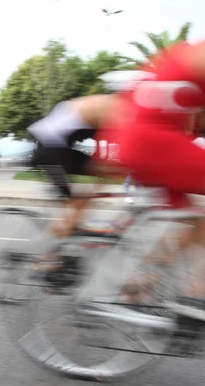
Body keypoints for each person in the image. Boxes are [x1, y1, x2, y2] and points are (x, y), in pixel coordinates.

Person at [95, 40, 205, 320]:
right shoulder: (195, 54)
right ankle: (195, 296)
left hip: (147, 142)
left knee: (193, 222)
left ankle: (137, 288)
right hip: (155, 142)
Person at [28, 93, 128, 238]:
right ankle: (55, 244)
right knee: (99, 175)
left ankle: (69, 230)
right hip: (52, 151)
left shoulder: (96, 103)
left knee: (79, 197)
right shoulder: (105, 106)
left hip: (51, 149)